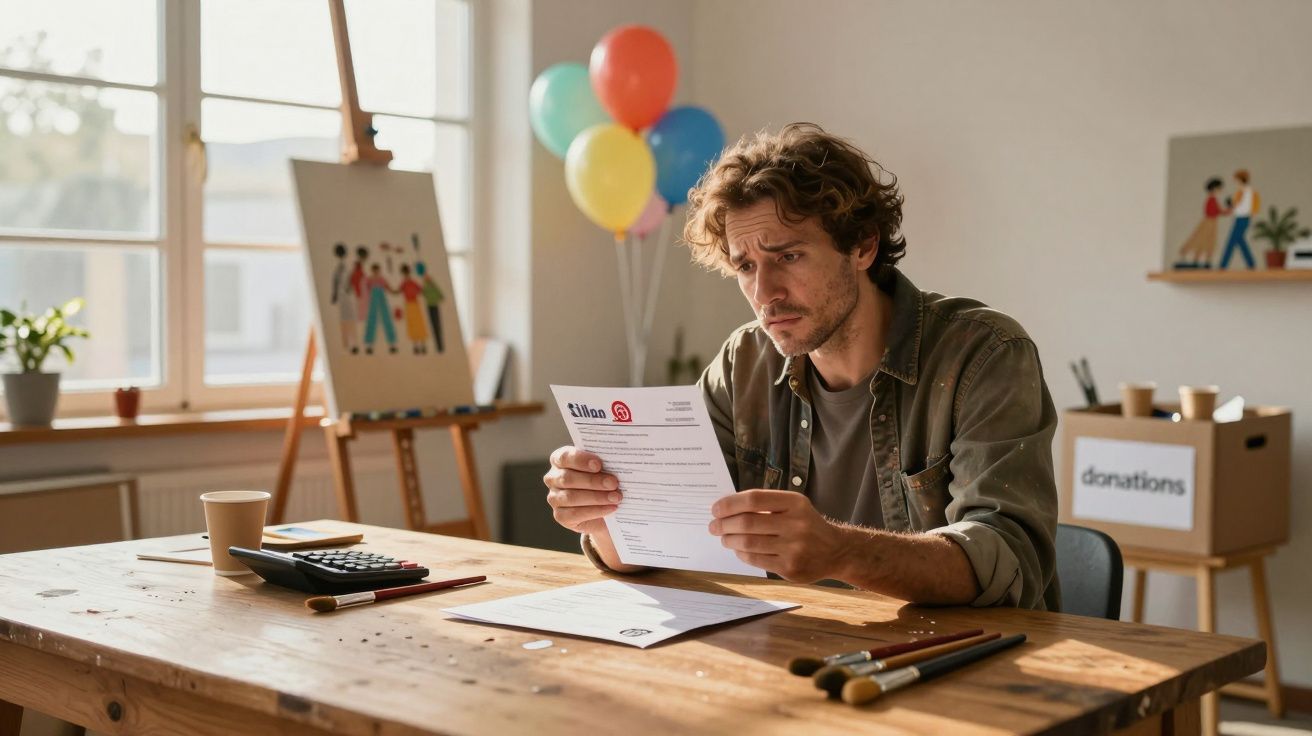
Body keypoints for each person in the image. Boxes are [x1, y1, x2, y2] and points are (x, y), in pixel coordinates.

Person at [543, 123, 1059, 610]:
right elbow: (669, 543)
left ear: (862, 245)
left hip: (968, 667)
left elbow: (1008, 562)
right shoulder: (743, 363)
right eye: (746, 266)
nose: (764, 293)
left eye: (787, 256)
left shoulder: (984, 354)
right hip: (795, 650)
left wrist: (841, 550)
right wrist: (605, 520)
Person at [1173, 178, 1224, 269]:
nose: (1220, 190)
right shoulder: (1211, 199)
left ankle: (1202, 260)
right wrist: (1229, 211)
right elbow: (1214, 211)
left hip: (1211, 222)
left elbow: (1217, 211)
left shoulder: (1212, 199)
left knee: (1207, 242)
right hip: (1209, 222)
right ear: (1214, 188)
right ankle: (1195, 258)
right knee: (1203, 240)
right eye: (1219, 188)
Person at [1220, 169, 1259, 270]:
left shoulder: (1249, 192)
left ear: (1241, 180)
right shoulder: (1240, 192)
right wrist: (1231, 205)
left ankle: (1223, 266)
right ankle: (1251, 264)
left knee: (1232, 241)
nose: (1235, 182)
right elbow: (1236, 206)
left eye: (1236, 180)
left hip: (1243, 218)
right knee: (1240, 242)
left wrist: (1233, 206)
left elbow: (1246, 207)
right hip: (1239, 218)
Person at [329, 243, 360, 353]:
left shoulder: (347, 266)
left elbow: (351, 280)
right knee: (344, 320)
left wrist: (348, 288)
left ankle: (353, 344)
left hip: (348, 296)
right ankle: (347, 344)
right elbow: (336, 282)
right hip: (342, 297)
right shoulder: (338, 268)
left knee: (350, 319)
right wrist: (335, 295)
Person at [362, 263, 398, 355]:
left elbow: (388, 287)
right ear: (373, 270)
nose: (376, 272)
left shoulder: (382, 279)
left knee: (387, 320)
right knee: (372, 320)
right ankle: (369, 345)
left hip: (382, 299)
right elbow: (367, 290)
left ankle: (392, 345)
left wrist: (395, 292)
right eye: (375, 270)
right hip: (374, 300)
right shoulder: (370, 280)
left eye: (377, 270)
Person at [396, 263, 430, 354]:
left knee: (419, 323)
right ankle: (416, 346)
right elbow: (398, 291)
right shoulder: (404, 283)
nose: (405, 274)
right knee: (412, 325)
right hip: (409, 305)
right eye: (404, 273)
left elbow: (420, 290)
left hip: (415, 304)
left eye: (406, 272)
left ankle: (423, 345)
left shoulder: (412, 282)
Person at [416, 261, 445, 353]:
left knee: (437, 326)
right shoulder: (425, 286)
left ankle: (440, 346)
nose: (426, 278)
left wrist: (439, 297)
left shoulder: (431, 285)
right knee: (434, 326)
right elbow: (423, 293)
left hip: (434, 306)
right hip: (429, 306)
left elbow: (440, 294)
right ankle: (438, 347)